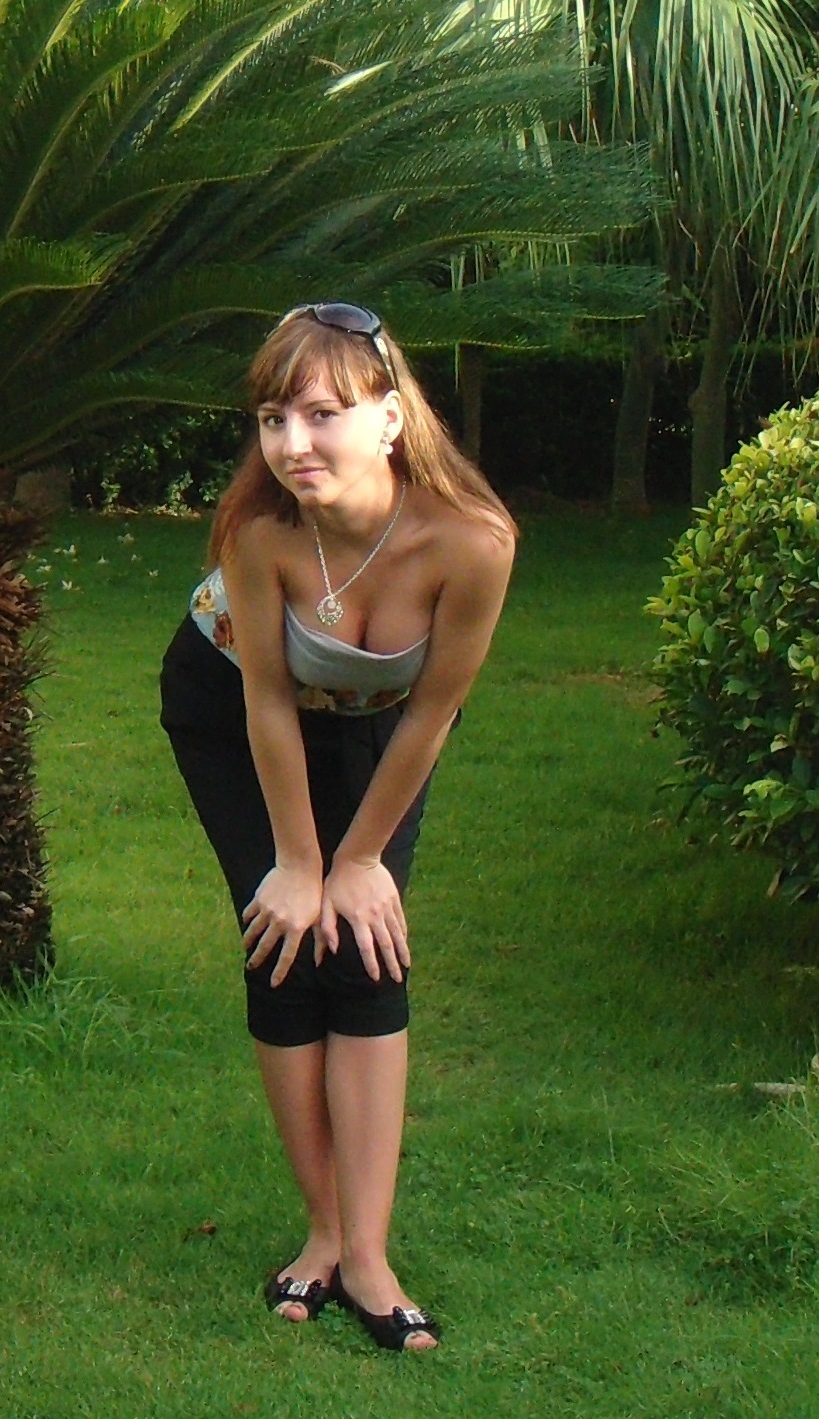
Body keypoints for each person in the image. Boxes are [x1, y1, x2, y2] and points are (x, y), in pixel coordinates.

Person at [160, 301, 515, 1351]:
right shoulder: (260, 528)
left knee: (364, 945)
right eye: (273, 418)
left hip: (382, 724)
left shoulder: (473, 540)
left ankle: (369, 1254)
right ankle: (322, 1233)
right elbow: (266, 701)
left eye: (321, 414)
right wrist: (297, 862)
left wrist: (358, 859)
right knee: (282, 943)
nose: (291, 443)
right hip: (232, 710)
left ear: (391, 418)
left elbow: (435, 711)